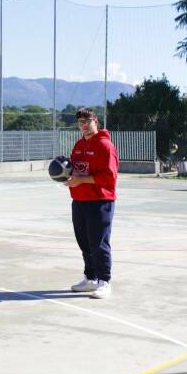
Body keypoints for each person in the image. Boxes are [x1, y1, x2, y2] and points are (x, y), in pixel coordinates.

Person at [64, 107, 118, 298]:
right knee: (84, 242)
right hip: (79, 199)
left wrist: (82, 180)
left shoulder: (105, 146)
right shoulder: (79, 145)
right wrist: (64, 174)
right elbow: (74, 170)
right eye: (81, 122)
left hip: (100, 201)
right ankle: (91, 278)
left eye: (88, 121)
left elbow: (109, 177)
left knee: (99, 242)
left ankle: (104, 281)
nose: (84, 125)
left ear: (96, 121)